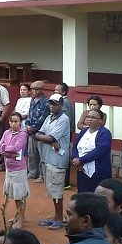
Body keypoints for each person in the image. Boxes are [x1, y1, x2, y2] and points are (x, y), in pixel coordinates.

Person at [34, 93, 71, 231]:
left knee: (57, 190)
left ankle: (59, 218)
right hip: (48, 157)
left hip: (57, 160)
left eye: (55, 104)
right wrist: (44, 137)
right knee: (52, 189)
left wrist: (45, 138)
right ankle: (56, 216)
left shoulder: (64, 119)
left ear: (61, 105)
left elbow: (49, 137)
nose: (52, 106)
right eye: (50, 103)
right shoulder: (49, 118)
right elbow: (40, 134)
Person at [0, 112, 29, 228]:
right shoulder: (6, 133)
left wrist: (5, 149)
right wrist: (8, 153)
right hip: (9, 168)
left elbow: (16, 148)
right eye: (11, 121)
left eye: (16, 121)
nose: (13, 124)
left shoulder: (23, 134)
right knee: (15, 194)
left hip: (19, 169)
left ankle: (21, 219)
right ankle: (19, 215)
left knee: (20, 195)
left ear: (20, 122)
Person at [71, 108, 112, 193]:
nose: (89, 119)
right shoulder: (83, 131)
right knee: (83, 194)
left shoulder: (105, 133)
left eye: (93, 117)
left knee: (96, 195)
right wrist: (75, 159)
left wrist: (81, 160)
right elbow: (75, 146)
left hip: (98, 171)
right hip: (82, 169)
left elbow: (100, 151)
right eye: (88, 117)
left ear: (100, 121)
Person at [25, 81, 49, 181]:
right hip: (31, 131)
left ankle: (42, 175)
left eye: (36, 90)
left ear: (41, 90)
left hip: (40, 132)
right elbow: (29, 114)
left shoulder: (45, 102)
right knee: (32, 153)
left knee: (41, 154)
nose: (33, 92)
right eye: (32, 89)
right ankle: (32, 172)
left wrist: (33, 127)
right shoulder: (32, 100)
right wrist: (27, 125)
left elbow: (43, 118)